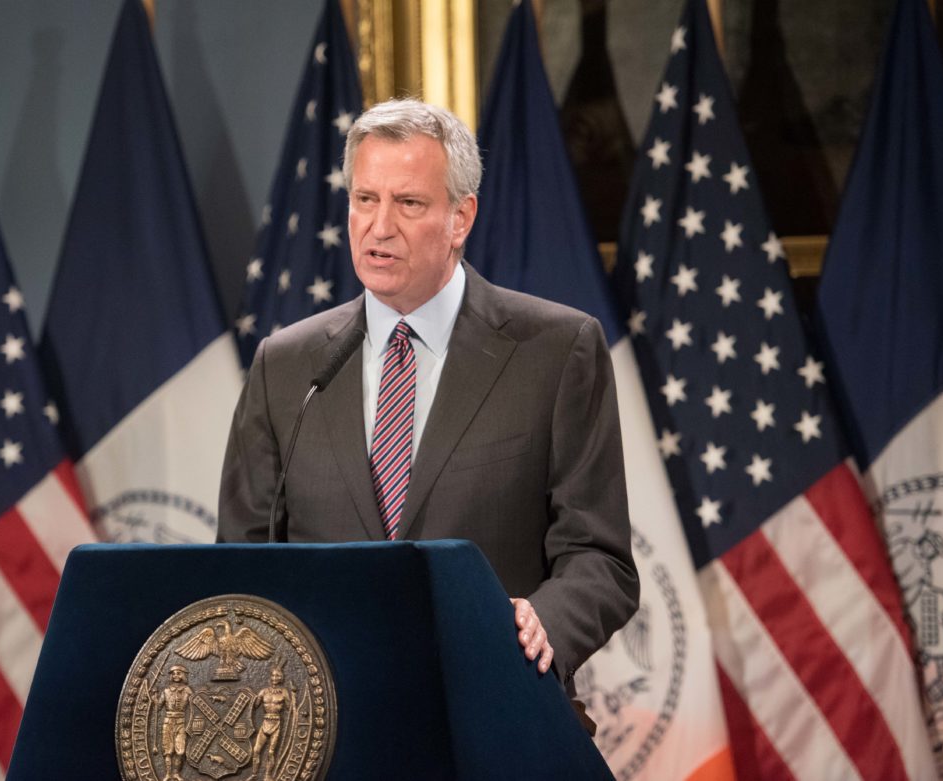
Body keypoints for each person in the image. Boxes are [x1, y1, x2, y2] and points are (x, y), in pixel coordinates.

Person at [218, 98, 638, 687]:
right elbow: (239, 563)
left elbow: (600, 558)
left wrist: (545, 620)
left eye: (408, 203)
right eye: (365, 199)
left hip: (493, 702)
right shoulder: (286, 366)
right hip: (330, 722)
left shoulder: (556, 351)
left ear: (460, 217)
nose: (379, 226)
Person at [154, 664, 193, 781]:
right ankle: (167, 774)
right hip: (168, 721)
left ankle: (176, 773)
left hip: (181, 722)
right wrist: (154, 697)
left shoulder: (188, 691)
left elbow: (195, 706)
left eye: (178, 673)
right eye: (174, 673)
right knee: (167, 750)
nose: (176, 675)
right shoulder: (166, 691)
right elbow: (158, 706)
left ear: (183, 675)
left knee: (180, 751)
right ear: (171, 676)